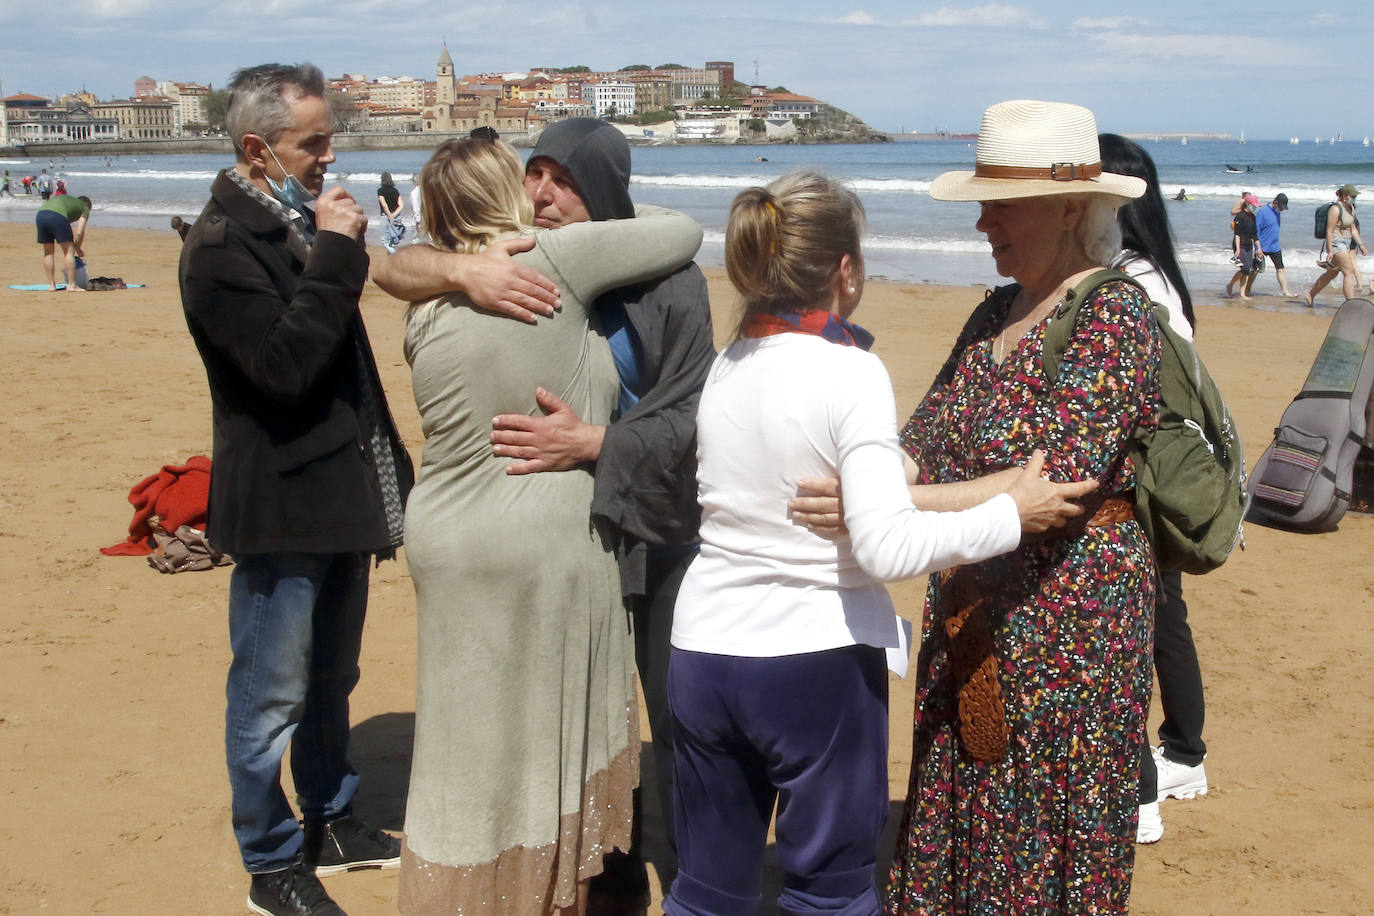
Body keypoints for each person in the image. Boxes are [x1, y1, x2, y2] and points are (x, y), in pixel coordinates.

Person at [664, 170, 1096, 916]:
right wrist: (1012, 514)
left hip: (702, 648)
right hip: (812, 659)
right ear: (847, 270)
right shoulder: (851, 371)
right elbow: (887, 547)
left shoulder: (726, 366)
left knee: (707, 891)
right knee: (829, 893)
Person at [374, 117, 716, 907]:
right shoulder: (519, 266)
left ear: (602, 190)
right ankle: (586, 882)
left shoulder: (665, 285)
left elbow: (696, 418)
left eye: (564, 180)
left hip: (643, 525)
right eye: (532, 175)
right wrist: (460, 266)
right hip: (556, 536)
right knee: (561, 723)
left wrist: (599, 441)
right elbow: (392, 264)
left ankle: (670, 881)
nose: (542, 193)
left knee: (661, 721)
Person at [883, 100, 1160, 913]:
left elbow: (1056, 482)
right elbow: (924, 437)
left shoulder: (1115, 314)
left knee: (1046, 818)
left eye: (1002, 204)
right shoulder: (991, 313)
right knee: (965, 798)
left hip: (1071, 624)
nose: (983, 222)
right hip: (975, 608)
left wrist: (893, 501)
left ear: (1071, 209)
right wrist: (872, 474)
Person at [178, 62, 414, 916]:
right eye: (312, 143)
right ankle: (270, 860)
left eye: (327, 139)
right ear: (257, 149)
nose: (329, 156)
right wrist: (341, 253)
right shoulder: (219, 248)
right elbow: (283, 368)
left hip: (340, 493)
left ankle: (330, 817)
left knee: (330, 677)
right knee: (268, 691)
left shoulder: (292, 224)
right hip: (281, 504)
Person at [1098, 133, 1211, 846]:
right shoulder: (1151, 273)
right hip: (1157, 475)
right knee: (1163, 619)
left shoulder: (1134, 282)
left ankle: (1143, 789)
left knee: (1132, 629)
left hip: (1142, 482)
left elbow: (1149, 397)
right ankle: (1184, 753)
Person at [1305, 185, 1369, 305]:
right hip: (1336, 243)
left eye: (1355, 196)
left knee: (1332, 273)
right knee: (1349, 271)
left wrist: (1361, 245)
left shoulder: (1351, 207)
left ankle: (1310, 295)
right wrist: (1330, 251)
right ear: (1344, 196)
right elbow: (1329, 231)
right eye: (1352, 196)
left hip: (1347, 242)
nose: (1354, 198)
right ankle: (1350, 303)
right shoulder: (1335, 209)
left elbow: (1353, 229)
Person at [35, 193, 91, 292]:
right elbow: (79, 232)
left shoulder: (69, 201)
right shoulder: (85, 207)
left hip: (41, 215)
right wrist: (77, 248)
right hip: (58, 217)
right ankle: (72, 285)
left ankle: (51, 286)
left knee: (48, 252)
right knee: (69, 252)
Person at [1254, 193, 1293, 297]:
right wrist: (1257, 247)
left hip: (1274, 246)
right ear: (1275, 202)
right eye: (1281, 207)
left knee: (1280, 268)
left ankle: (1285, 291)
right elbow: (1256, 230)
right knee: (1255, 270)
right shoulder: (1263, 211)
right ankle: (1246, 290)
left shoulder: (1277, 212)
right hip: (1262, 245)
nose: (1282, 209)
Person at [1225, 193, 1262, 299]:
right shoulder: (1240, 216)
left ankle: (1242, 293)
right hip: (1240, 245)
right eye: (1253, 205)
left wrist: (1258, 248)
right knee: (1244, 268)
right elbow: (1237, 234)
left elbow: (1255, 234)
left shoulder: (1253, 217)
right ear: (1248, 204)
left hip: (1249, 245)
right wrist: (1237, 249)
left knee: (1247, 269)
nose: (1255, 207)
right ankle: (1231, 285)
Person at [376, 171, 405, 254]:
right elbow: (401, 205)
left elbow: (384, 205)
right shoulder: (395, 191)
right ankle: (391, 259)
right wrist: (394, 215)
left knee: (385, 241)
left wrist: (389, 216)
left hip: (386, 217)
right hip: (397, 216)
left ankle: (396, 256)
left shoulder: (380, 190)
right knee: (392, 241)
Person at [408, 175, 422, 239]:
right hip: (426, 218)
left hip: (419, 219)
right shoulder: (425, 191)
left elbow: (415, 207)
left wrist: (418, 220)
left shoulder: (414, 192)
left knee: (416, 238)